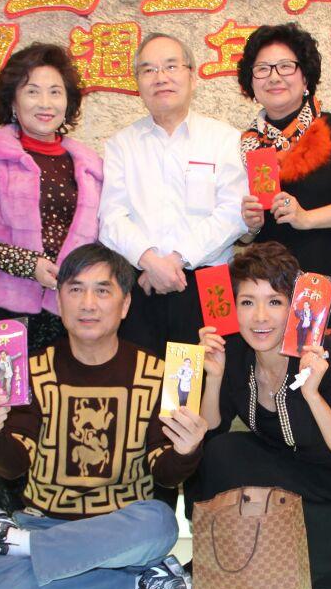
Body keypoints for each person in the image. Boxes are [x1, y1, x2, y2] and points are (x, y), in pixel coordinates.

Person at [0, 244, 209, 589]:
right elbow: (14, 467)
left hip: (122, 528)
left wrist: (186, 451)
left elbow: (165, 474)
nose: (88, 304)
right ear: (58, 302)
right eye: (75, 290)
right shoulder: (30, 370)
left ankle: (18, 546)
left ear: (125, 305)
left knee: (160, 525)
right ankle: (142, 584)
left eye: (102, 291)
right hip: (44, 523)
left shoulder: (158, 373)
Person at [0, 43, 103, 511]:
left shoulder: (87, 163)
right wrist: (26, 264)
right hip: (6, 309)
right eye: (33, 91)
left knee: (66, 408)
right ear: (13, 99)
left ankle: (62, 511)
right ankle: (9, 516)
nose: (45, 102)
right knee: (8, 411)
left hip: (68, 310)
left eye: (55, 91)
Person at [190, 242, 331, 589]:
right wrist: (214, 376)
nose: (260, 317)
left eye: (274, 302)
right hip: (282, 469)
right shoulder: (235, 352)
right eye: (247, 302)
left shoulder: (327, 354)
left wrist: (312, 394)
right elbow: (209, 433)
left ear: (296, 306)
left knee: (281, 515)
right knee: (221, 451)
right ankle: (247, 547)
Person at [98, 33, 249, 355]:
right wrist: (150, 261)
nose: (161, 77)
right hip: (141, 282)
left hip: (212, 281)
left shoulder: (224, 139)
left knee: (214, 375)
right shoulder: (121, 145)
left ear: (192, 77)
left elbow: (233, 214)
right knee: (143, 376)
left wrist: (175, 260)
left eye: (171, 66)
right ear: (138, 83)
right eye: (148, 70)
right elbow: (111, 218)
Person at [237, 24, 331, 336]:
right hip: (274, 290)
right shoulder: (244, 146)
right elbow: (245, 234)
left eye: (285, 66)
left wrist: (306, 218)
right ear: (251, 82)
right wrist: (249, 228)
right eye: (262, 69)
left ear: (305, 77)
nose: (274, 77)